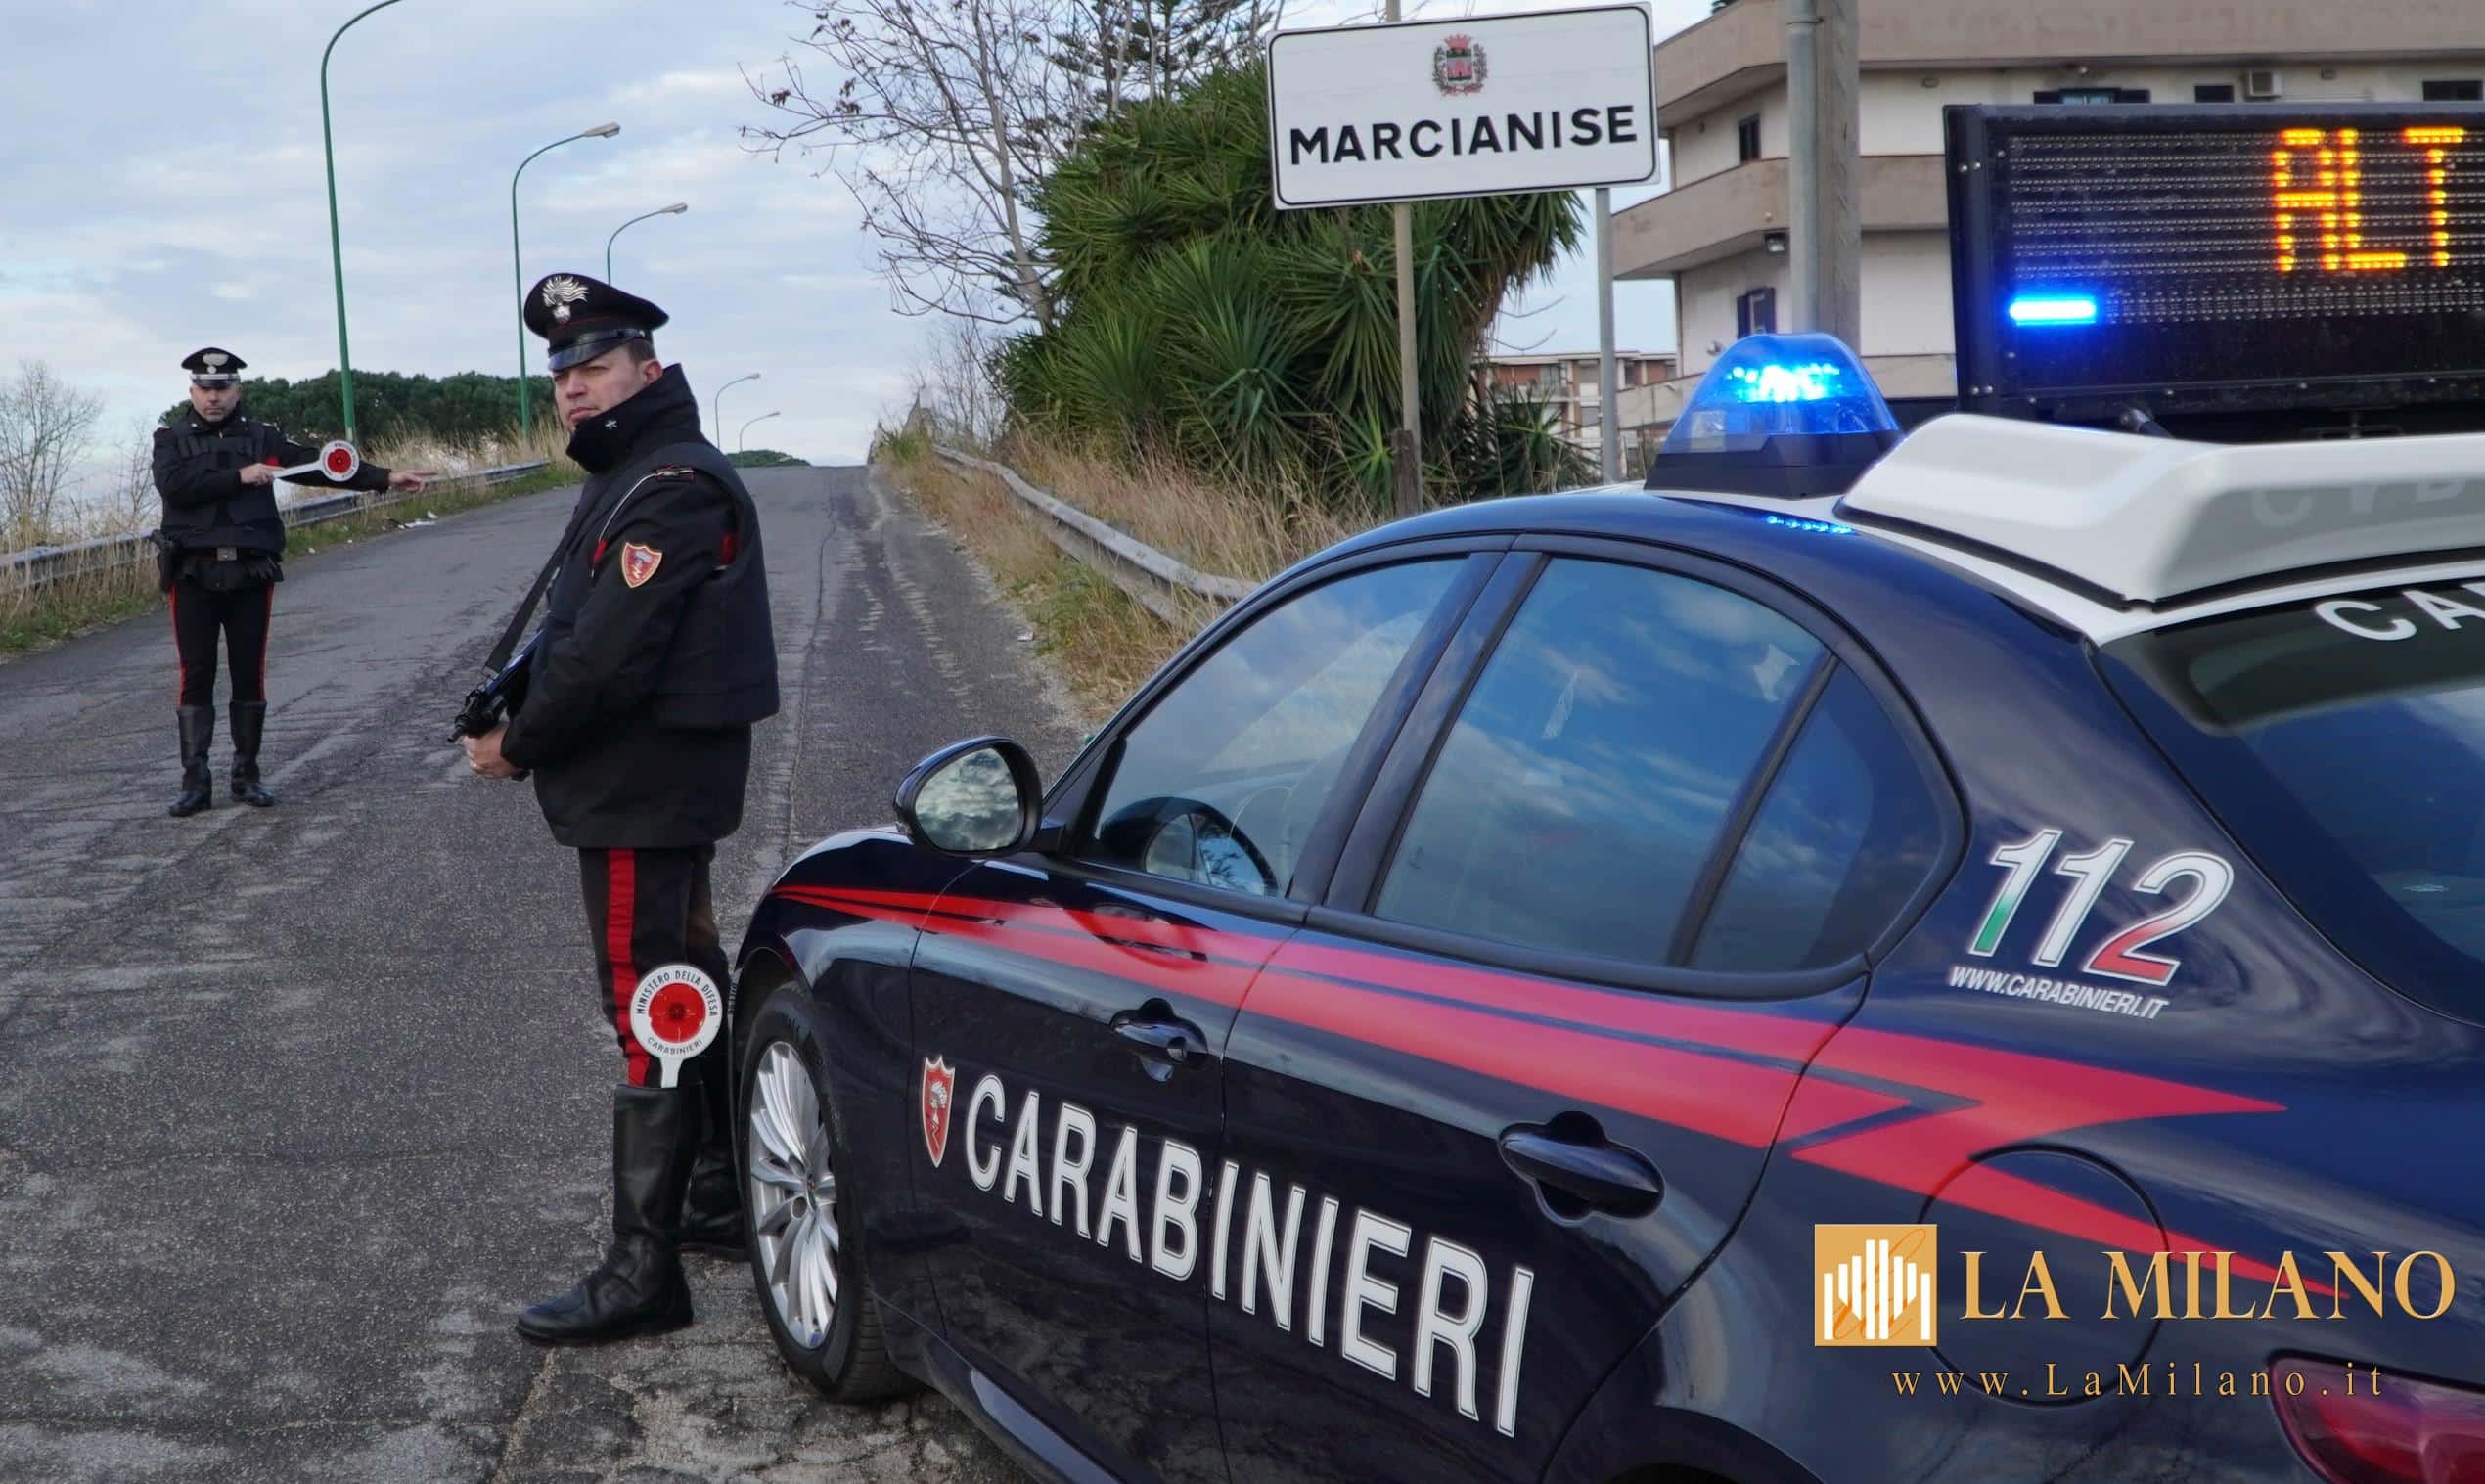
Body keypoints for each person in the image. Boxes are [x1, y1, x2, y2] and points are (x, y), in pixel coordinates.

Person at [461, 274, 779, 1345]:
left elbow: (607, 656)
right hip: (647, 783)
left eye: (593, 366)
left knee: (648, 1000)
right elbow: (582, 627)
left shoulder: (670, 482)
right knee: (688, 982)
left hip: (641, 786)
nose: (573, 389)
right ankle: (718, 1199)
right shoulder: (635, 472)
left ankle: (643, 1270)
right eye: (559, 373)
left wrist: (518, 741)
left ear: (646, 367)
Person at [153, 347, 433, 816]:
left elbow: (320, 465)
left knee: (249, 673)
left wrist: (385, 477)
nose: (214, 397)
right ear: (192, 391)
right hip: (193, 573)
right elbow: (175, 487)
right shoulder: (170, 440)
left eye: (222, 388)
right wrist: (241, 475)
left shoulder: (263, 436)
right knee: (195, 675)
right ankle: (195, 783)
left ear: (237, 389)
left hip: (249, 571)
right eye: (205, 388)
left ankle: (247, 775)